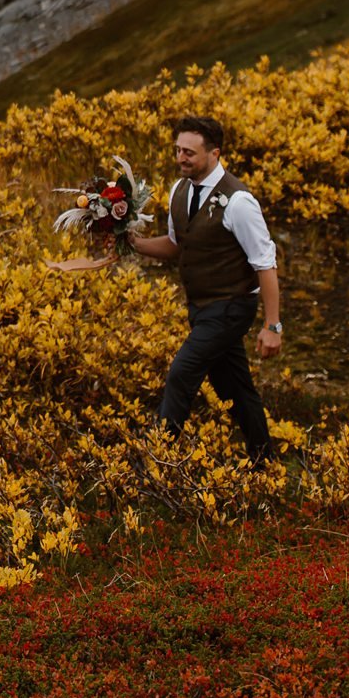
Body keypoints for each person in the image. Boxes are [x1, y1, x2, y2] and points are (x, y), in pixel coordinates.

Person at [125, 114, 280, 461]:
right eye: (178, 150)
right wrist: (132, 243)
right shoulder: (180, 190)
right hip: (202, 308)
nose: (181, 158)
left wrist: (273, 327)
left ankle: (159, 461)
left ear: (214, 154)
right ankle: (264, 461)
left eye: (189, 153)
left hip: (231, 308)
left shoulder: (239, 203)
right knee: (235, 388)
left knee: (182, 373)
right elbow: (176, 245)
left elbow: (265, 264)